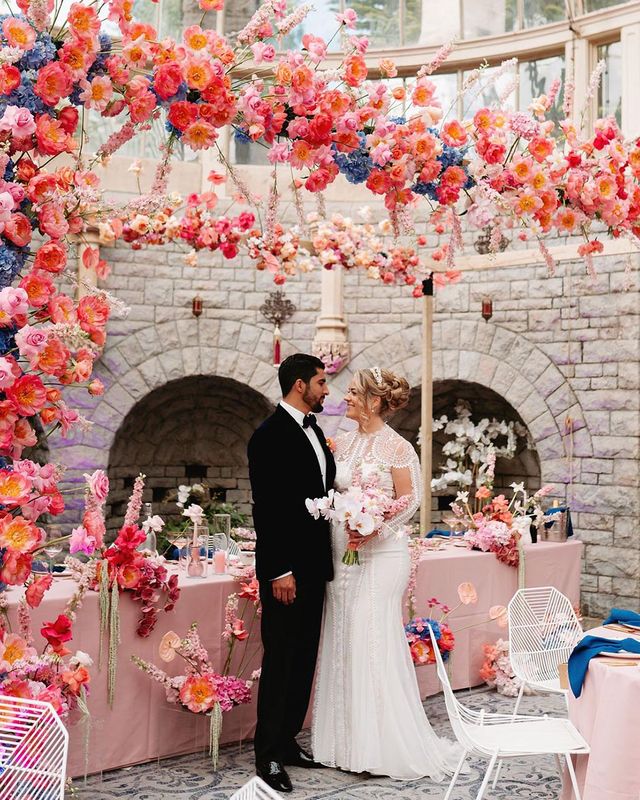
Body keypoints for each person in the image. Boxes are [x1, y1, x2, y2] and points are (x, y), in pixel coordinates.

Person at [312, 366, 461, 780]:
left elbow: (410, 500)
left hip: (382, 555)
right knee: (344, 639)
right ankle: (343, 745)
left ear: (374, 401)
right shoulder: (340, 443)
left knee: (371, 639)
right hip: (342, 554)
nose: (346, 398)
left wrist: (375, 527)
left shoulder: (397, 447)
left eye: (354, 392)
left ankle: (381, 747)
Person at [248, 353, 336, 793]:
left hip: (315, 565)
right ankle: (266, 755)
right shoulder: (268, 436)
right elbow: (267, 509)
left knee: (303, 659)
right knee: (281, 659)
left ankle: (286, 741)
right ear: (300, 385)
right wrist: (278, 570)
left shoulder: (315, 430)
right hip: (285, 570)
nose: (326, 390)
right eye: (321, 382)